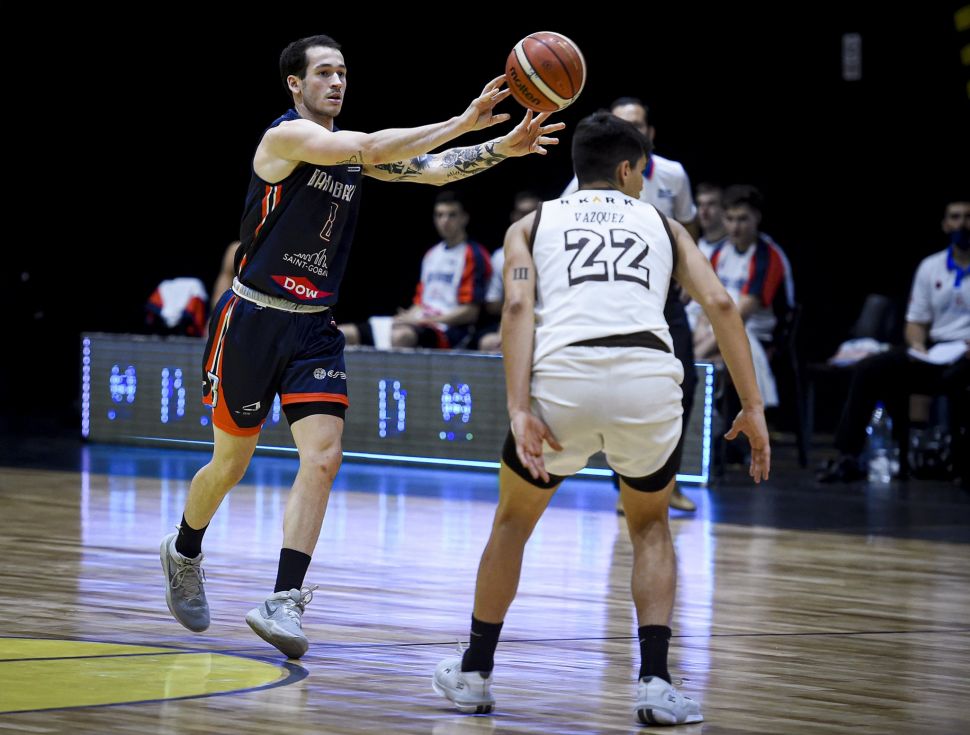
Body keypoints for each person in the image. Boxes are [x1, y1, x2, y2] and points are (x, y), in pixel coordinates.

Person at [158, 33, 564, 659]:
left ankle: (283, 598)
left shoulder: (349, 154)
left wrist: (498, 148)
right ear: (295, 84)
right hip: (253, 319)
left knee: (323, 457)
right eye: (324, 73)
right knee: (230, 464)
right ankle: (184, 549)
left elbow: (429, 170)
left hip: (314, 327)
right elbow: (374, 146)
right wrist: (464, 119)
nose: (337, 82)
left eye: (343, 73)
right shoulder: (285, 138)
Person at [432, 112, 770, 725]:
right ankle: (655, 684)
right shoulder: (664, 224)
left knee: (513, 523)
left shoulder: (530, 225)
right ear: (626, 170)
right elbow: (721, 304)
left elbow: (516, 308)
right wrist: (751, 405)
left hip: (564, 381)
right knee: (650, 527)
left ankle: (476, 672)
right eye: (641, 172)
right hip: (647, 382)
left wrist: (518, 409)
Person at [566, 97, 699, 511]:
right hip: (615, 297)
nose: (632, 132)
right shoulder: (584, 183)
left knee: (685, 383)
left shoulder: (673, 174)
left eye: (638, 124)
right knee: (618, 382)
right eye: (623, 125)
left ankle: (667, 481)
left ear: (650, 132)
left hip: (663, 296)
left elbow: (688, 225)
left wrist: (688, 273)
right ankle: (628, 485)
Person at [817, 198, 970, 484]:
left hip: (966, 355)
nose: (962, 224)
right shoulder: (931, 267)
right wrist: (917, 345)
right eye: (955, 217)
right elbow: (916, 322)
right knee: (871, 368)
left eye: (967, 216)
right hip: (938, 350)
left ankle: (960, 462)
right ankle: (848, 456)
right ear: (945, 224)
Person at [340, 192, 491, 349]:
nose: (445, 221)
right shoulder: (432, 254)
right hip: (420, 323)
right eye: (439, 215)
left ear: (464, 218)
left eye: (452, 215)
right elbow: (420, 303)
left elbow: (470, 312)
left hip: (448, 330)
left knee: (400, 337)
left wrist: (425, 321)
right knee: (345, 333)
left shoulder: (474, 254)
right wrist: (407, 317)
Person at [478, 191, 541, 352]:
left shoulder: (552, 251)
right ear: (514, 217)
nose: (527, 219)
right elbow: (493, 303)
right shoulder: (500, 256)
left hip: (546, 323)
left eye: (532, 213)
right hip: (512, 320)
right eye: (522, 214)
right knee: (488, 343)